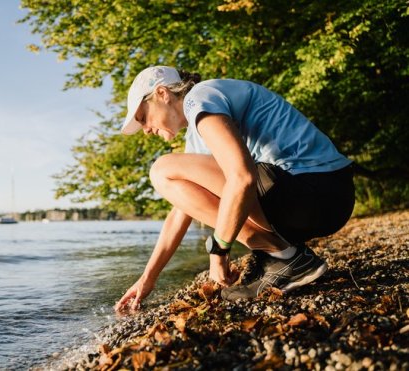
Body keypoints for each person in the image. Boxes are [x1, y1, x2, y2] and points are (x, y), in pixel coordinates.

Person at [114, 66, 355, 312]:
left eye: (143, 117)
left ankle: (284, 255)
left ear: (162, 93)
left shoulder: (200, 97)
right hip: (321, 198)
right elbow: (183, 208)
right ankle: (281, 256)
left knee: (161, 168)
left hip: (317, 191)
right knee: (170, 176)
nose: (145, 129)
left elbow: (242, 177)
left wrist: (219, 250)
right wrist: (148, 278)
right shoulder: (199, 128)